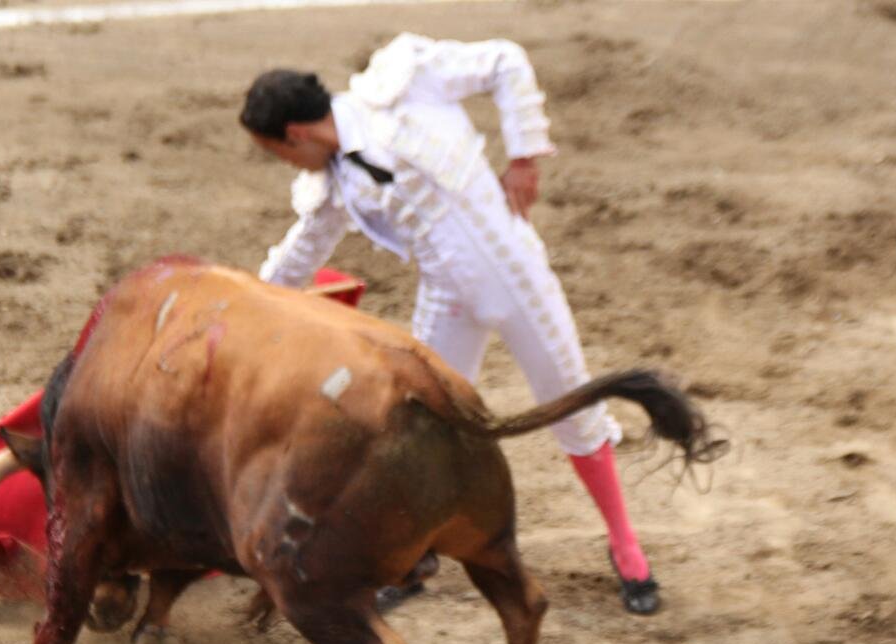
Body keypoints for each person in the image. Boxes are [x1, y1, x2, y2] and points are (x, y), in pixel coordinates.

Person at [240, 33, 661, 614]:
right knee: (418, 427)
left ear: (295, 134)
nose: (287, 165)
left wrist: (523, 157)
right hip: (447, 294)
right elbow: (300, 252)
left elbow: (506, 60)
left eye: (278, 153)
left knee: (573, 409)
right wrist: (249, 301)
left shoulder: (404, 82)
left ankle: (625, 543)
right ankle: (412, 560)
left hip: (519, 281)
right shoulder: (334, 182)